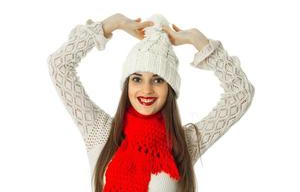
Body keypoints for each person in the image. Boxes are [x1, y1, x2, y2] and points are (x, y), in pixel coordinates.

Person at [47, 13, 255, 192]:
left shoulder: (183, 144)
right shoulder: (100, 132)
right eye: (137, 79)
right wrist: (115, 22)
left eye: (157, 80)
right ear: (127, 84)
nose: (146, 89)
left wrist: (196, 38)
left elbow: (241, 94)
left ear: (170, 88)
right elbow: (59, 65)